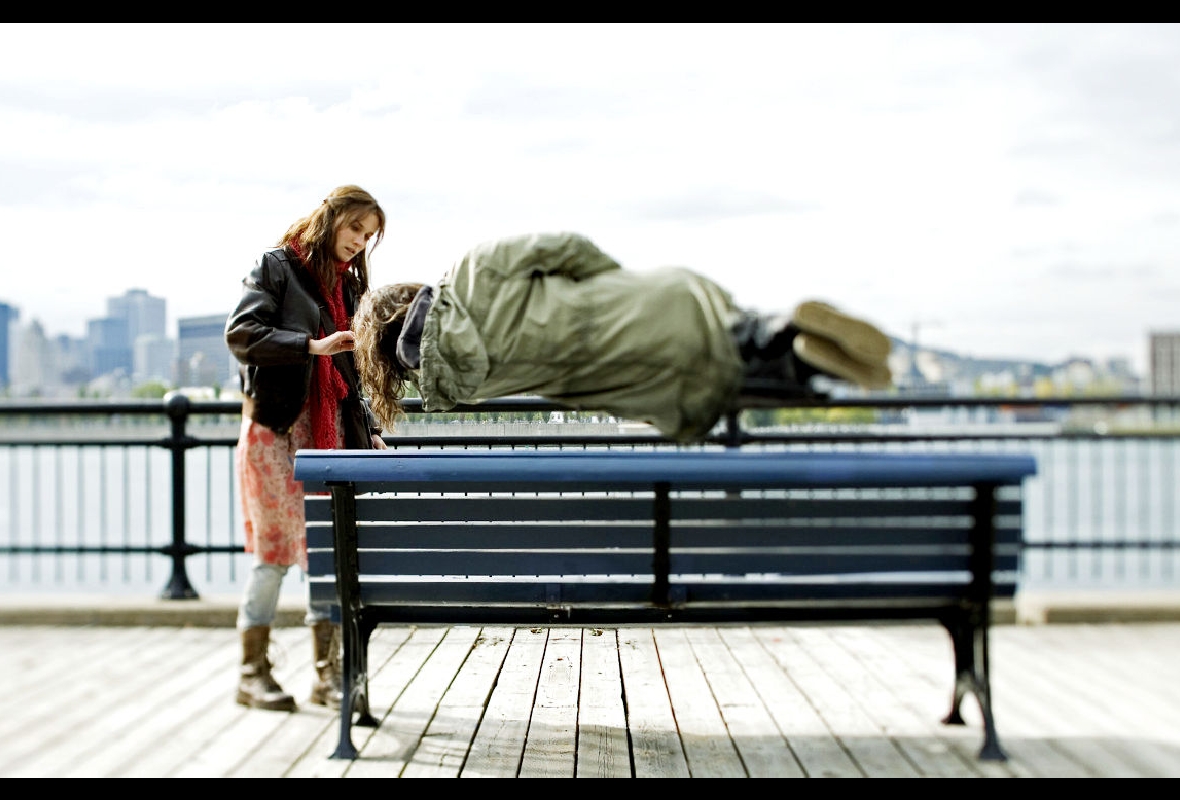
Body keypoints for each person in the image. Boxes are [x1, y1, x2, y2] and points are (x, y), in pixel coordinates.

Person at [352, 231, 893, 442]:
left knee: (719, 379)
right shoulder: (470, 270)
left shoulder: (453, 388)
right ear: (409, 294)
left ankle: (797, 365)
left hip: (637, 381)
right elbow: (566, 246)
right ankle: (785, 335)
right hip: (637, 306)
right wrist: (613, 287)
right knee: (721, 324)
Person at [223, 184, 388, 712]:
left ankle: (327, 676)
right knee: (273, 555)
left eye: (369, 236)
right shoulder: (277, 266)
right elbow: (241, 334)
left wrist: (369, 426)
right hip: (276, 430)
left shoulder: (350, 287)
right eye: (354, 228)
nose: (359, 243)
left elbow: (352, 374)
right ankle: (253, 674)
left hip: (329, 430)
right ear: (332, 218)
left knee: (325, 552)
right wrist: (309, 346)